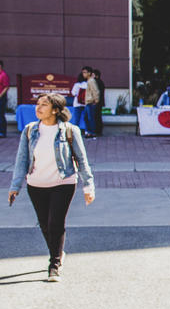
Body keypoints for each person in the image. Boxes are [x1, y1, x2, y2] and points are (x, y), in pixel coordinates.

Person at [7, 93, 95, 281]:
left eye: (44, 105)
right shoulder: (30, 130)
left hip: (63, 183)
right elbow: (21, 160)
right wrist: (15, 186)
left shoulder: (69, 131)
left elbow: (81, 160)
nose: (38, 108)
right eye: (37, 104)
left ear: (55, 110)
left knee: (55, 223)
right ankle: (59, 252)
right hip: (36, 184)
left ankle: (54, 264)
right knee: (45, 224)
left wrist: (88, 186)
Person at [85, 67, 105, 138]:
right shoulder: (98, 81)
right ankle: (96, 131)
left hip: (94, 102)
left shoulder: (95, 81)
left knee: (93, 117)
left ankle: (94, 132)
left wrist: (96, 101)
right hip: (97, 102)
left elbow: (96, 92)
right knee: (95, 117)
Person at [70, 71, 90, 137]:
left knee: (76, 119)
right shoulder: (88, 84)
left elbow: (73, 93)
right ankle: (87, 131)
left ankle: (75, 133)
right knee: (86, 119)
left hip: (77, 104)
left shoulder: (77, 85)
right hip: (86, 103)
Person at [0, 59, 10, 137]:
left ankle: (2, 132)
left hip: (1, 98)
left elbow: (6, 87)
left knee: (1, 115)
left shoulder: (3, 75)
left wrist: (0, 95)